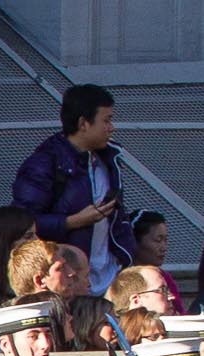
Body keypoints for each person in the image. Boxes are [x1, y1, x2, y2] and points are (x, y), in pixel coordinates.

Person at [13, 83, 134, 294]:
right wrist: (71, 222)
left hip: (109, 278)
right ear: (83, 123)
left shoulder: (109, 160)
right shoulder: (45, 163)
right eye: (106, 120)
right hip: (67, 282)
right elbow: (21, 222)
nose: (111, 128)